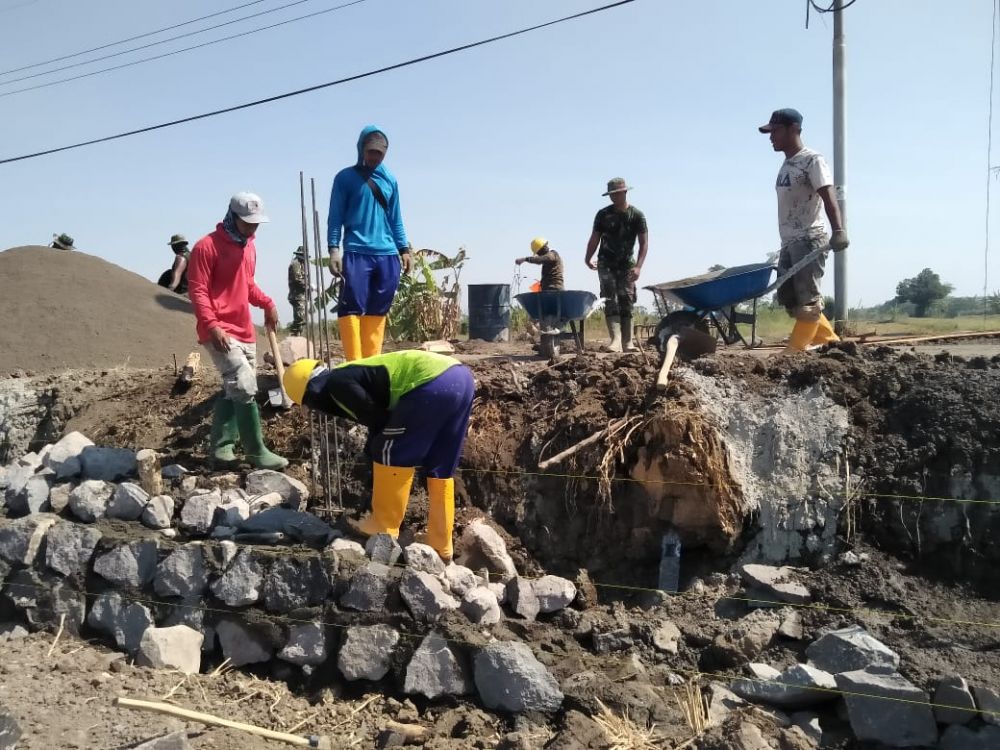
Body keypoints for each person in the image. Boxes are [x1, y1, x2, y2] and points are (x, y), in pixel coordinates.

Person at [282, 351, 474, 562]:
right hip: (460, 378)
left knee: (391, 450)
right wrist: (372, 457)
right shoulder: (349, 376)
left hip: (431, 383)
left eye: (310, 405)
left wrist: (377, 464)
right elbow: (377, 419)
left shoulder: (338, 382)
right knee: (440, 464)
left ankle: (383, 526)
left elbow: (379, 420)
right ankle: (440, 543)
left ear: (311, 393)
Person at [187, 192, 287, 470]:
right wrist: (212, 325)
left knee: (234, 390)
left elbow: (247, 285)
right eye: (247, 223)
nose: (252, 228)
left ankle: (221, 449)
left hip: (244, 330)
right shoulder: (205, 247)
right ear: (232, 216)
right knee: (244, 385)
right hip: (219, 330)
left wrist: (267, 303)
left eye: (256, 224)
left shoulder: (249, 246)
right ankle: (256, 451)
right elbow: (198, 291)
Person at [759, 108, 849, 351]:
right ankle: (831, 343)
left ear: (794, 130)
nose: (771, 137)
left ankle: (792, 354)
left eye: (775, 131)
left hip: (809, 239)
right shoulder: (787, 165)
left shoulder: (812, 160)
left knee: (808, 303)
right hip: (789, 242)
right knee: (791, 300)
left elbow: (828, 195)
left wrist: (838, 230)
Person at [327, 125, 411, 361]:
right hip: (356, 251)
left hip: (387, 255)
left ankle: (371, 362)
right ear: (361, 148)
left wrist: (404, 248)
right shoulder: (345, 178)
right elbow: (335, 217)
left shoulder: (390, 180)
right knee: (351, 307)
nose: (374, 157)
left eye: (379, 154)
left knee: (378, 309)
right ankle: (355, 363)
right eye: (371, 151)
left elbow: (396, 219)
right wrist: (334, 249)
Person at [584, 178, 648, 352]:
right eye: (611, 194)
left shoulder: (637, 215)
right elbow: (595, 238)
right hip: (606, 264)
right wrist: (588, 258)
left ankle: (628, 342)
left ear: (625, 192)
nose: (613, 197)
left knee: (627, 300)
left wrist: (638, 267)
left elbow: (643, 243)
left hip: (627, 265)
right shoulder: (603, 214)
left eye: (616, 194)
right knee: (610, 299)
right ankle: (615, 340)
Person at [288, 246, 308, 336]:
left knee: (301, 317)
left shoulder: (301, 264)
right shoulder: (296, 264)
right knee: (300, 317)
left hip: (300, 295)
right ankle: (294, 333)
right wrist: (309, 286)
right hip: (296, 295)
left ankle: (297, 333)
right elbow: (297, 279)